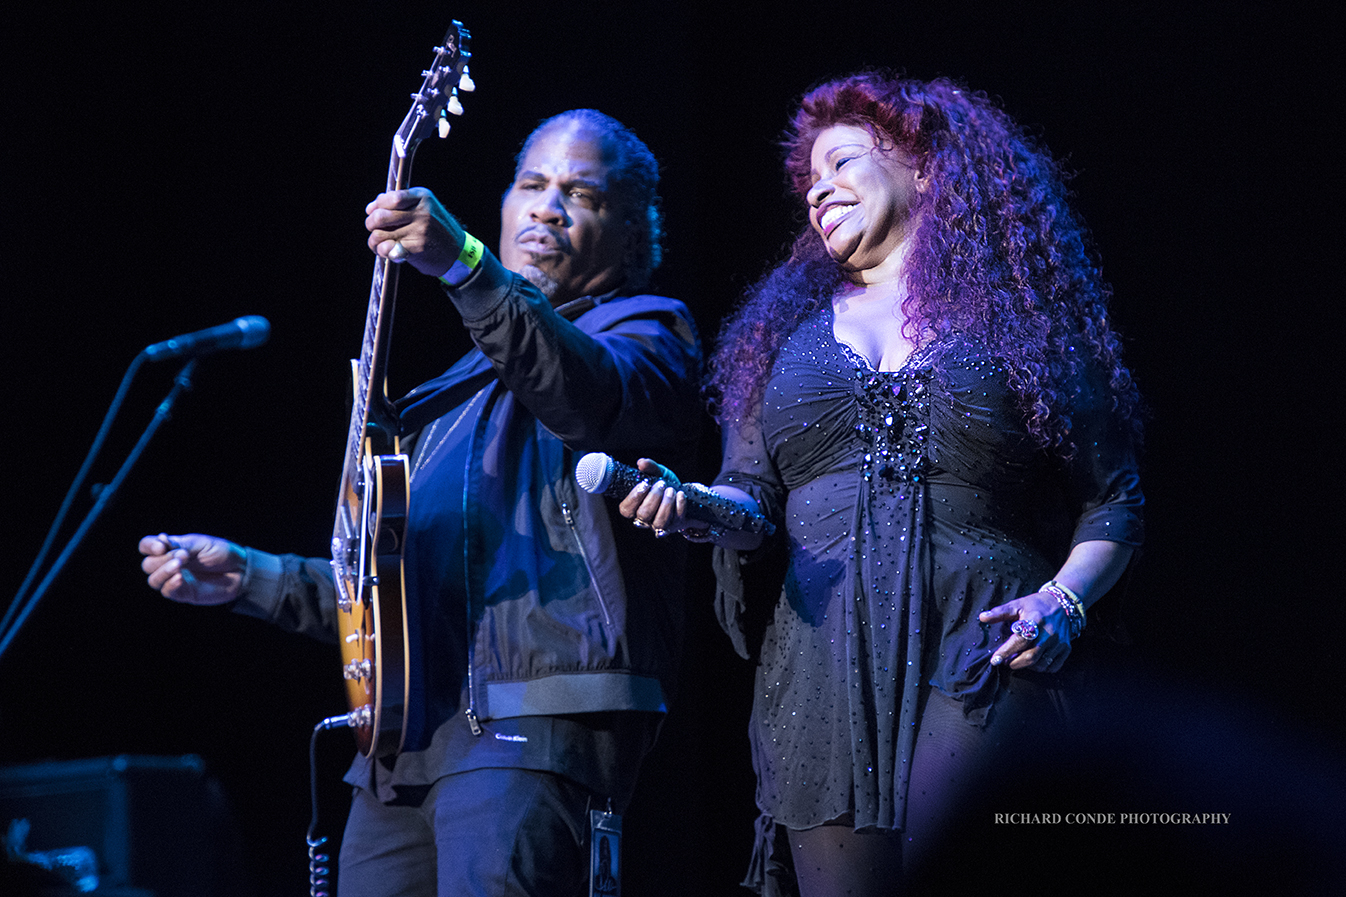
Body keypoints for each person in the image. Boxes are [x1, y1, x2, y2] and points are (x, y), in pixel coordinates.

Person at [139, 109, 702, 897]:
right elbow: (389, 588)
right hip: (404, 748)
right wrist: (251, 578)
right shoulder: (443, 398)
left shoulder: (645, 333)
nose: (546, 207)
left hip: (532, 725)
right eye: (531, 184)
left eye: (582, 194)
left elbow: (582, 395)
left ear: (632, 232)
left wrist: (466, 264)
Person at [619, 72, 1144, 896]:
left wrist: (1063, 601)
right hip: (824, 660)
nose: (818, 189)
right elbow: (750, 499)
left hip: (982, 640)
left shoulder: (1020, 323)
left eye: (842, 162)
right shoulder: (782, 340)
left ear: (925, 168)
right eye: (809, 180)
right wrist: (698, 508)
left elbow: (1112, 498)